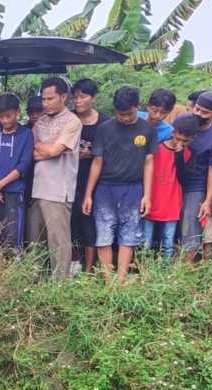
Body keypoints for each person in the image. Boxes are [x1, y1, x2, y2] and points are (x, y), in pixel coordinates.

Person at [82, 86, 157, 282]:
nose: (124, 118)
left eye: (129, 113)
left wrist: (147, 195)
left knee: (129, 235)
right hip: (105, 188)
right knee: (104, 233)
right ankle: (108, 281)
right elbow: (97, 161)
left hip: (133, 188)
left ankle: (121, 281)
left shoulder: (146, 129)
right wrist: (88, 194)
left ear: (137, 106)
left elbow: (149, 163)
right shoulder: (105, 128)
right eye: (120, 114)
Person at [28, 77, 82, 279]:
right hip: (38, 188)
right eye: (43, 99)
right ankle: (35, 283)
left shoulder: (72, 121)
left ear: (63, 97)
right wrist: (48, 151)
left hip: (59, 191)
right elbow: (32, 150)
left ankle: (59, 286)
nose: (46, 103)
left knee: (58, 242)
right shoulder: (40, 120)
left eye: (50, 99)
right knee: (35, 240)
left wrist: (47, 150)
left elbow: (55, 150)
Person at [0, 93, 33, 253]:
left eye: (9, 116)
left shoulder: (25, 134)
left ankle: (10, 270)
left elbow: (23, 165)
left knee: (11, 236)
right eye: (1, 117)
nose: (5, 121)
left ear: (18, 112)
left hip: (13, 193)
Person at [180, 91, 212, 262]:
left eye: (205, 112)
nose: (198, 114)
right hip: (172, 183)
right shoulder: (183, 121)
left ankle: (185, 271)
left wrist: (208, 200)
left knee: (189, 231)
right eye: (197, 109)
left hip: (195, 188)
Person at [145, 114, 199, 258]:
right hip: (152, 200)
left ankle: (166, 271)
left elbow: (184, 179)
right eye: (177, 138)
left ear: (192, 139)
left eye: (185, 141)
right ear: (173, 132)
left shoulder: (189, 154)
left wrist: (179, 156)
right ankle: (143, 271)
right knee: (145, 242)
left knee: (168, 242)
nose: (179, 143)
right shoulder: (156, 148)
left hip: (172, 203)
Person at [70, 79, 108, 272]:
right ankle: (73, 265)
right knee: (71, 222)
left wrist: (92, 154)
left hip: (95, 181)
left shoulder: (105, 123)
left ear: (93, 98)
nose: (78, 101)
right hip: (69, 179)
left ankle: (89, 268)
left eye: (82, 97)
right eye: (75, 97)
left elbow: (111, 152)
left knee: (90, 222)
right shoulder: (68, 119)